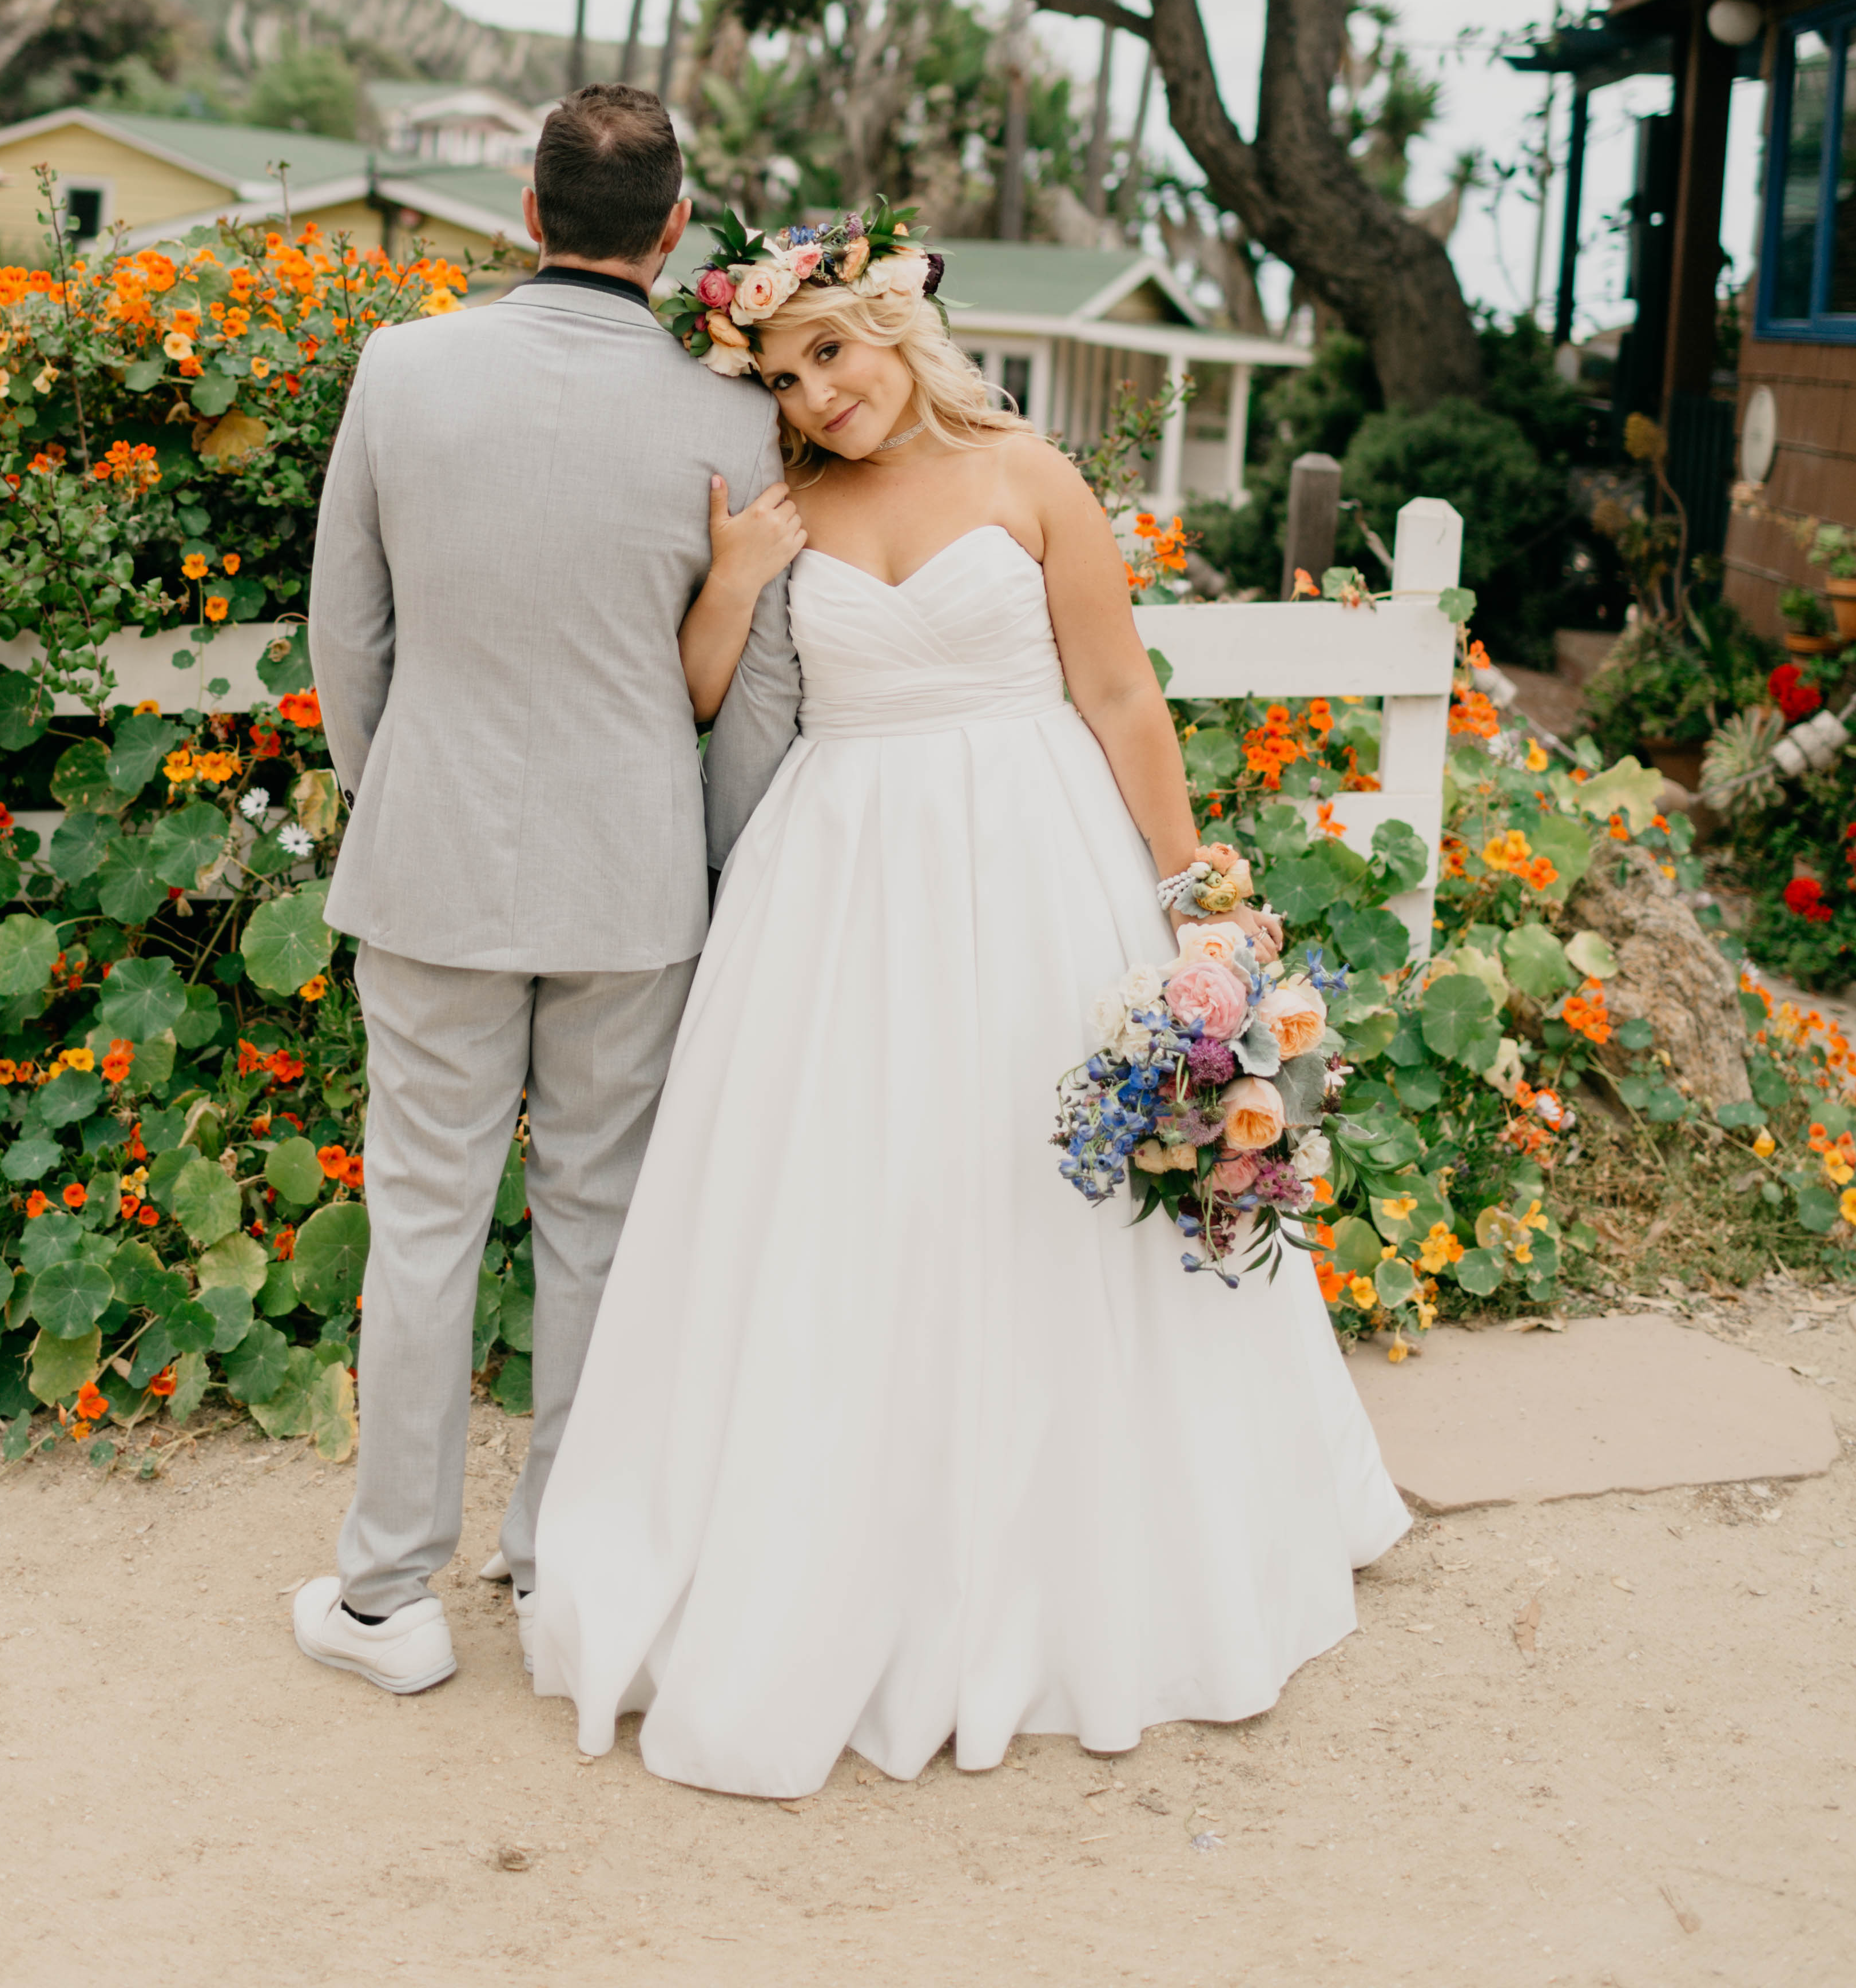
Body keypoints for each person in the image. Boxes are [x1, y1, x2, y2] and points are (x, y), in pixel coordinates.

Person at [528, 212, 1408, 1795]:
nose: (814, 395)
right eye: (785, 374)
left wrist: (1193, 899)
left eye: (832, 356)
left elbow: (1120, 692)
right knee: (853, 1207)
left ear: (896, 330)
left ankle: (1095, 1561)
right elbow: (697, 696)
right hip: (839, 879)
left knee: (1037, 1190)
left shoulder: (1027, 477)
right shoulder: (785, 505)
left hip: (1035, 857)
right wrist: (734, 578)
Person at [291, 86, 801, 1697]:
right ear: (674, 228)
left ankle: (387, 1598)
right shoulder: (734, 422)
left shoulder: (402, 368)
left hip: (431, 852)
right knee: (597, 1229)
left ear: (527, 206)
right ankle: (555, 1568)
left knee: (423, 1223)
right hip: (637, 874)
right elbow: (759, 690)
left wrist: (402, 787)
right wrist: (719, 858)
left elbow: (342, 636)